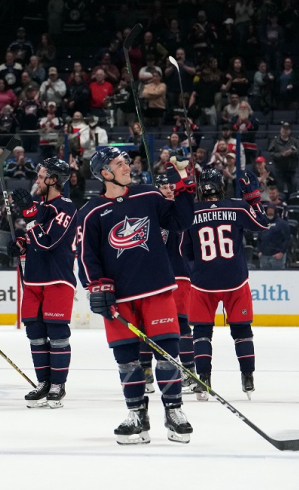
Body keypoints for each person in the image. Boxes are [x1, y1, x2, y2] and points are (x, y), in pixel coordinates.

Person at [78, 146, 195, 444]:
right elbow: (86, 256)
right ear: (105, 173)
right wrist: (97, 286)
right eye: (120, 163)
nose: (127, 166)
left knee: (168, 355)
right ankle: (136, 415)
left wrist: (183, 183)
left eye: (126, 162)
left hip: (157, 290)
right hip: (120, 299)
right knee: (127, 360)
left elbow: (181, 222)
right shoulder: (90, 212)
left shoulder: (148, 195)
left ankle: (174, 411)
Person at [183, 168, 268, 400]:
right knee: (242, 331)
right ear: (222, 186)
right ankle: (247, 377)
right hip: (235, 280)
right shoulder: (237, 207)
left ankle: (204, 379)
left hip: (203, 282)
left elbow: (186, 252)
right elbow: (262, 224)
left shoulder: (190, 212)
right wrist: (254, 199)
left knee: (201, 333)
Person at [7, 160, 77, 408]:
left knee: (57, 334)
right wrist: (20, 244)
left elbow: (48, 242)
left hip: (57, 279)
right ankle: (43, 382)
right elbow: (33, 238)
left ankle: (58, 383)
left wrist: (30, 218)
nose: (36, 180)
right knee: (35, 334)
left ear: (53, 179)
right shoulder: (41, 207)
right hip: (34, 280)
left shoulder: (65, 207)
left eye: (40, 176)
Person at [142, 174, 197, 395]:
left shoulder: (180, 212)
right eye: (163, 187)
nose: (168, 190)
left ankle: (188, 370)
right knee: (146, 326)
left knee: (181, 326)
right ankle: (145, 370)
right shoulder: (152, 212)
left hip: (180, 276)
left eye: (170, 186)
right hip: (154, 278)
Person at [268, 122, 299, 196]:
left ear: (289, 131)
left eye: (287, 129)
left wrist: (291, 153)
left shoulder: (294, 141)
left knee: (293, 190)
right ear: (280, 129)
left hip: (292, 170)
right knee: (280, 190)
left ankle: (292, 204)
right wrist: (281, 155)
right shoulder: (275, 142)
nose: (284, 131)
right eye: (283, 128)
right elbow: (271, 153)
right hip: (280, 170)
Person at [257, 203, 292, 270]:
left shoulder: (282, 224)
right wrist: (259, 251)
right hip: (264, 256)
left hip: (276, 256)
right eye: (268, 210)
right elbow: (259, 239)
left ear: (275, 211)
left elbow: (287, 239)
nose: (270, 212)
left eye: (271, 210)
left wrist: (282, 252)